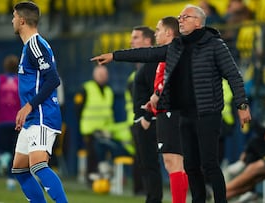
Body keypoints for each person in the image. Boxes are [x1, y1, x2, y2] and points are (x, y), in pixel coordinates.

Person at [91, 5, 252, 202]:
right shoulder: (177, 46)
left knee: (209, 165)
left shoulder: (216, 45)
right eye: (179, 16)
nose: (181, 20)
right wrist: (114, 56)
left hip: (207, 114)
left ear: (198, 22)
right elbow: (148, 54)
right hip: (184, 114)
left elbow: (234, 75)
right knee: (191, 166)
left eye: (186, 17)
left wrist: (242, 105)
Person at [11, 2, 68, 203]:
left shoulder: (35, 44)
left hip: (42, 115)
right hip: (32, 117)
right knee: (19, 169)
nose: (12, 20)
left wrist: (29, 106)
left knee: (38, 166)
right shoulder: (30, 46)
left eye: (14, 16)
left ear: (22, 20)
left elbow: (53, 79)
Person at [144, 16, 188, 203]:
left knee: (173, 162)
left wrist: (158, 93)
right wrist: (154, 100)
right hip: (165, 111)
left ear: (169, 32)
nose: (156, 33)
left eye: (158, 29)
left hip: (171, 112)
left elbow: (174, 79)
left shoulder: (174, 51)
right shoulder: (170, 52)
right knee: (175, 163)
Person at [74, 65, 129, 184]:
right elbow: (77, 109)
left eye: (104, 75)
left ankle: (105, 178)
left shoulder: (109, 91)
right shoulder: (86, 88)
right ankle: (91, 181)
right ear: (94, 75)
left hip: (105, 130)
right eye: (100, 74)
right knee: (92, 155)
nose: (102, 77)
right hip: (90, 129)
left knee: (106, 154)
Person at [127, 26, 163, 203]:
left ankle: (154, 199)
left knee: (152, 165)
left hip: (149, 121)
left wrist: (147, 118)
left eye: (135, 37)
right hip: (141, 120)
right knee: (146, 165)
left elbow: (158, 91)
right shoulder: (141, 65)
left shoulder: (152, 63)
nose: (131, 41)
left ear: (148, 41)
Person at [0, 54, 20, 191]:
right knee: (14, 151)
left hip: (2, 120)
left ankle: (3, 159)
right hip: (17, 122)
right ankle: (11, 181)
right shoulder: (20, 81)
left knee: (1, 149)